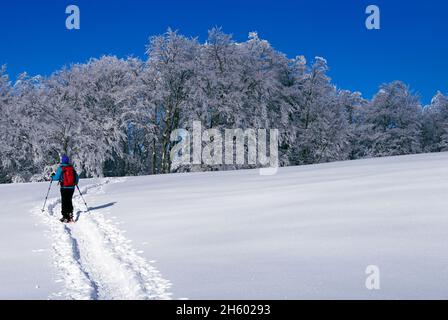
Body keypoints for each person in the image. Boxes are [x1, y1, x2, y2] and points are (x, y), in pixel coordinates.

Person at [51, 155, 79, 223]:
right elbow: (77, 177)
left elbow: (56, 178)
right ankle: (70, 214)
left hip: (64, 187)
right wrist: (75, 183)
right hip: (71, 187)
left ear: (62, 160)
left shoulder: (61, 168)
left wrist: (52, 176)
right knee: (69, 200)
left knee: (64, 201)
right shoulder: (72, 168)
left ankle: (65, 216)